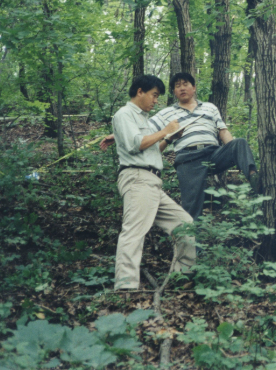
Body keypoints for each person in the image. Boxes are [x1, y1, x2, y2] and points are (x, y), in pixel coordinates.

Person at [99, 74, 196, 291]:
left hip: (152, 182)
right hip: (137, 179)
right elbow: (136, 144)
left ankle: (182, 278)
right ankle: (125, 287)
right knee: (134, 232)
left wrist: (169, 138)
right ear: (140, 91)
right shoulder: (124, 114)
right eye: (153, 95)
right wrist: (165, 131)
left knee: (184, 224)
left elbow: (151, 149)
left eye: (159, 97)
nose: (155, 101)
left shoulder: (144, 119)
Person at [148, 72, 259, 221]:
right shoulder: (167, 113)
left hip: (213, 154)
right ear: (174, 92)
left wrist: (232, 149)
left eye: (185, 84)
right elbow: (144, 129)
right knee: (191, 211)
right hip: (188, 159)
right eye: (177, 86)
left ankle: (254, 178)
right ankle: (193, 243)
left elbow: (223, 131)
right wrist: (116, 136)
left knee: (239, 143)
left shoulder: (210, 107)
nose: (181, 88)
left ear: (193, 88)